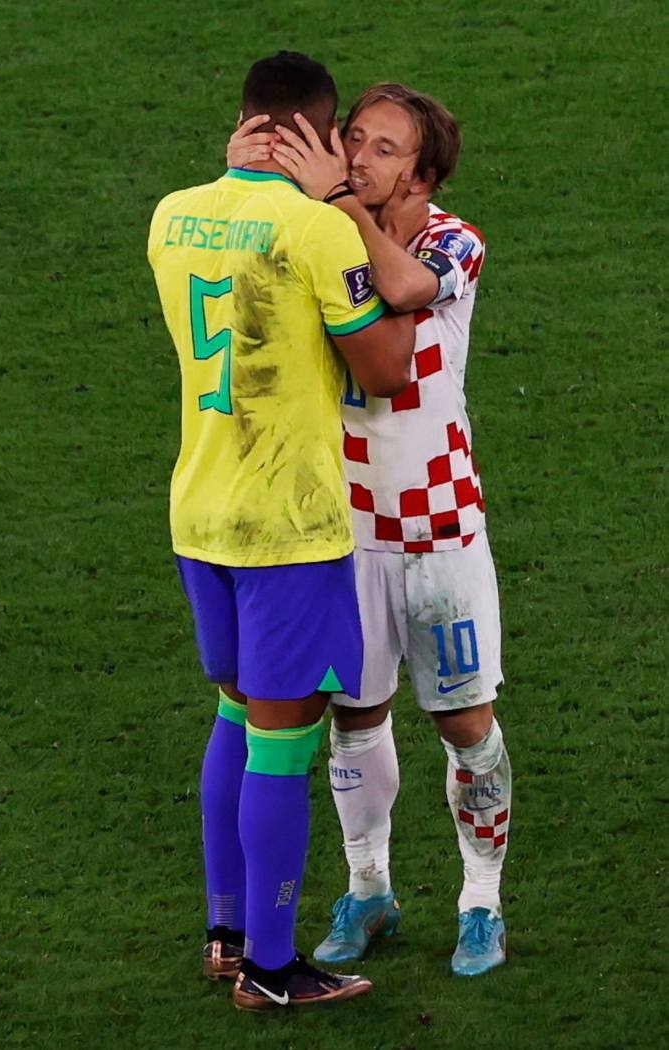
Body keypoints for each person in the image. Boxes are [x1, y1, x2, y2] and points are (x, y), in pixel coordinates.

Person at [147, 54, 415, 1010]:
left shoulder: (171, 213)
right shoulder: (312, 226)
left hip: (199, 512)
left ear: (247, 121)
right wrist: (340, 209)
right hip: (288, 528)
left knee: (233, 712)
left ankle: (226, 933)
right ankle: (271, 968)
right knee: (283, 741)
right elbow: (385, 366)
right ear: (314, 130)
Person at [228, 82, 511, 977]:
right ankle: (369, 888)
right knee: (356, 718)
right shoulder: (322, 232)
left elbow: (402, 287)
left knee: (467, 722)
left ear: (423, 174)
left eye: (384, 149)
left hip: (440, 530)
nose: (358, 156)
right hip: (345, 531)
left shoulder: (451, 242)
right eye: (353, 138)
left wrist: (338, 204)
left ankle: (480, 902)